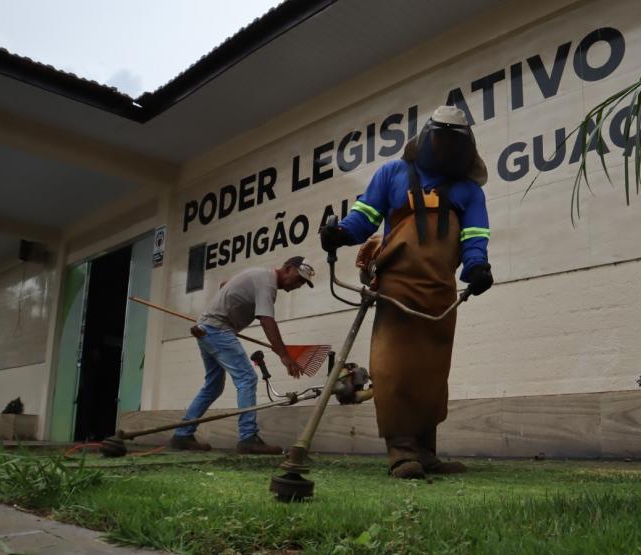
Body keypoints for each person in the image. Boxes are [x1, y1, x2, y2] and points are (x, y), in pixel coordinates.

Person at [320, 105, 494, 478]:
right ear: (427, 138)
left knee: (431, 373)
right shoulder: (393, 174)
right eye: (440, 138)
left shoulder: (468, 191)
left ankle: (426, 452)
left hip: (440, 293)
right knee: (394, 369)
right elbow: (364, 217)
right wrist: (341, 234)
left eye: (454, 141)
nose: (445, 147)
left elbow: (475, 235)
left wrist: (477, 266)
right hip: (395, 289)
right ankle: (400, 451)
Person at [170, 256, 315, 454]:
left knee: (213, 386)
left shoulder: (259, 276)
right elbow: (267, 320)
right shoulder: (268, 283)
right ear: (287, 268)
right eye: (298, 279)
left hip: (207, 328)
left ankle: (182, 435)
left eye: (303, 284)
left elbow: (225, 284)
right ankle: (248, 438)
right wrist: (284, 355)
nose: (298, 285)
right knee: (247, 378)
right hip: (218, 329)